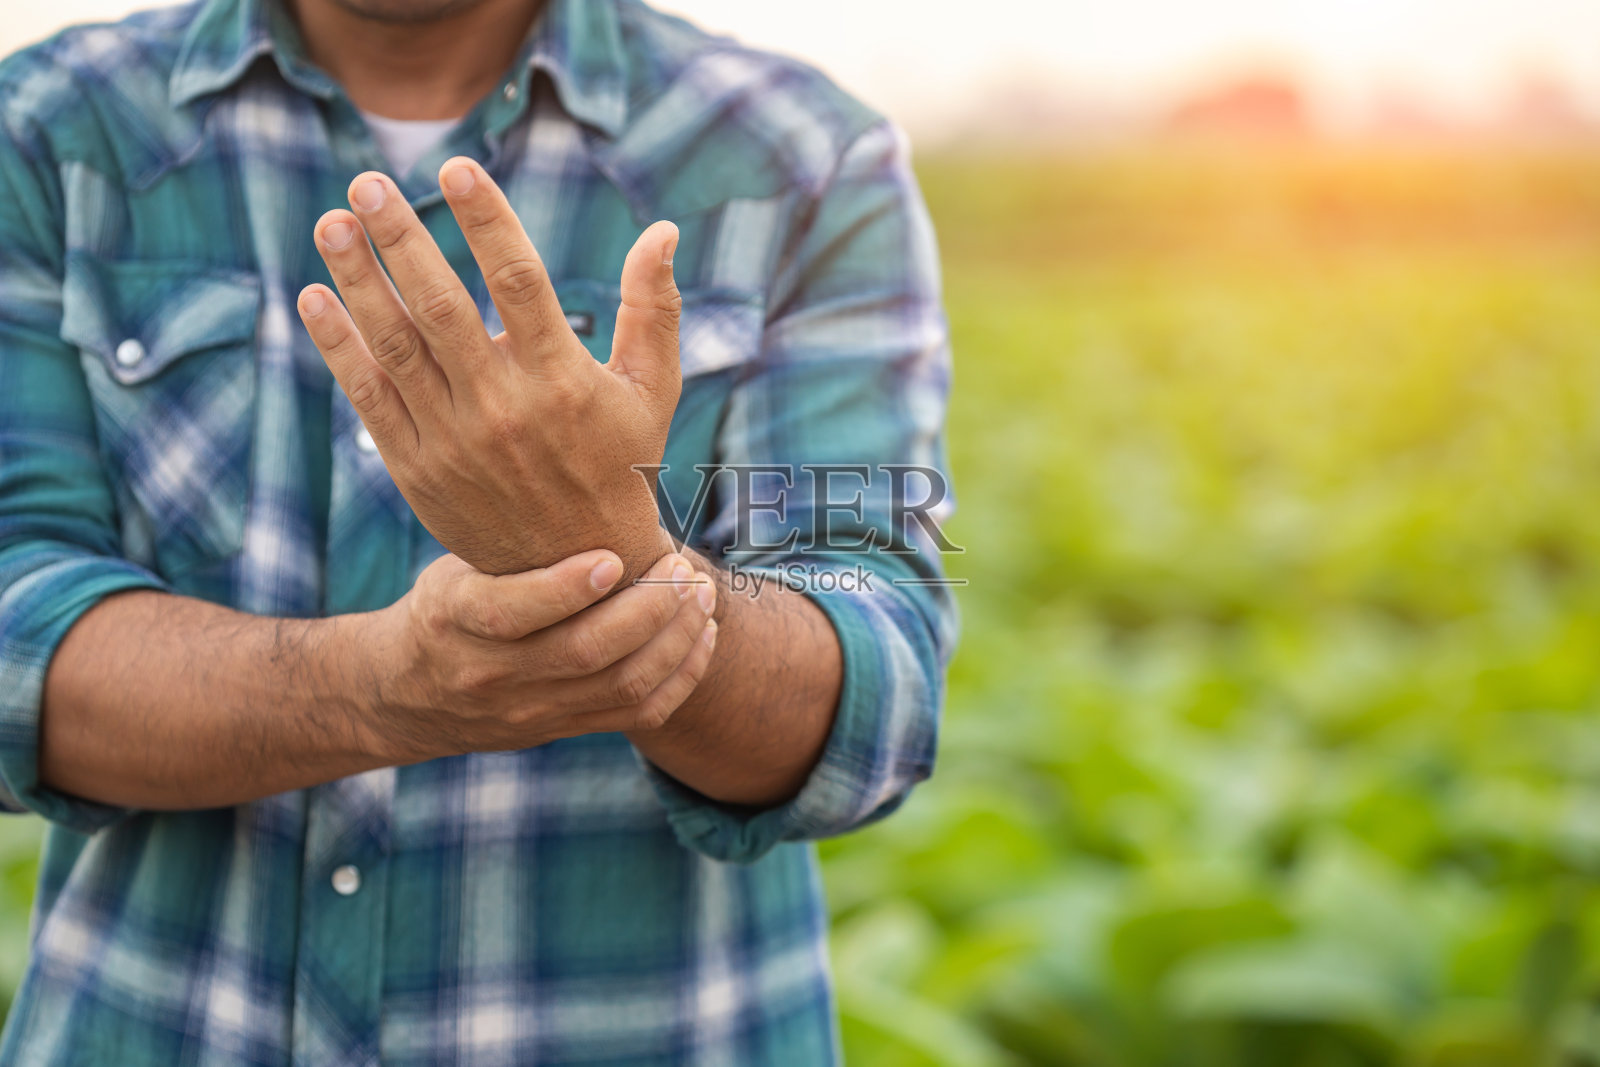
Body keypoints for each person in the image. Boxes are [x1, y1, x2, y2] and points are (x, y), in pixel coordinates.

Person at [0, 0, 956, 1061]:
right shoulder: (44, 129)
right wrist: (378, 686)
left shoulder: (802, 157)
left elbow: (876, 677)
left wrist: (619, 564)